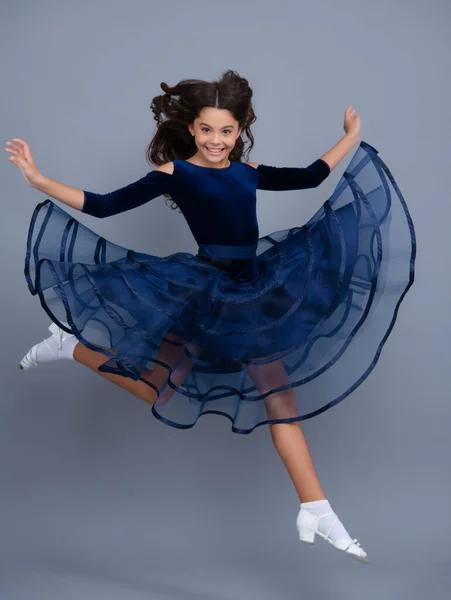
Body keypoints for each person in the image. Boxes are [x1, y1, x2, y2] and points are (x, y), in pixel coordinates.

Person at [5, 69, 416, 564]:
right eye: (206, 130)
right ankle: (70, 347)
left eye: (226, 131)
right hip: (205, 291)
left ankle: (314, 506)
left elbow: (312, 176)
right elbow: (104, 206)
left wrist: (349, 137)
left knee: (276, 396)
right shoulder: (176, 174)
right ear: (193, 130)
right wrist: (37, 178)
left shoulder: (249, 172)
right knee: (160, 389)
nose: (216, 140)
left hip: (255, 288)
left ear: (240, 129)